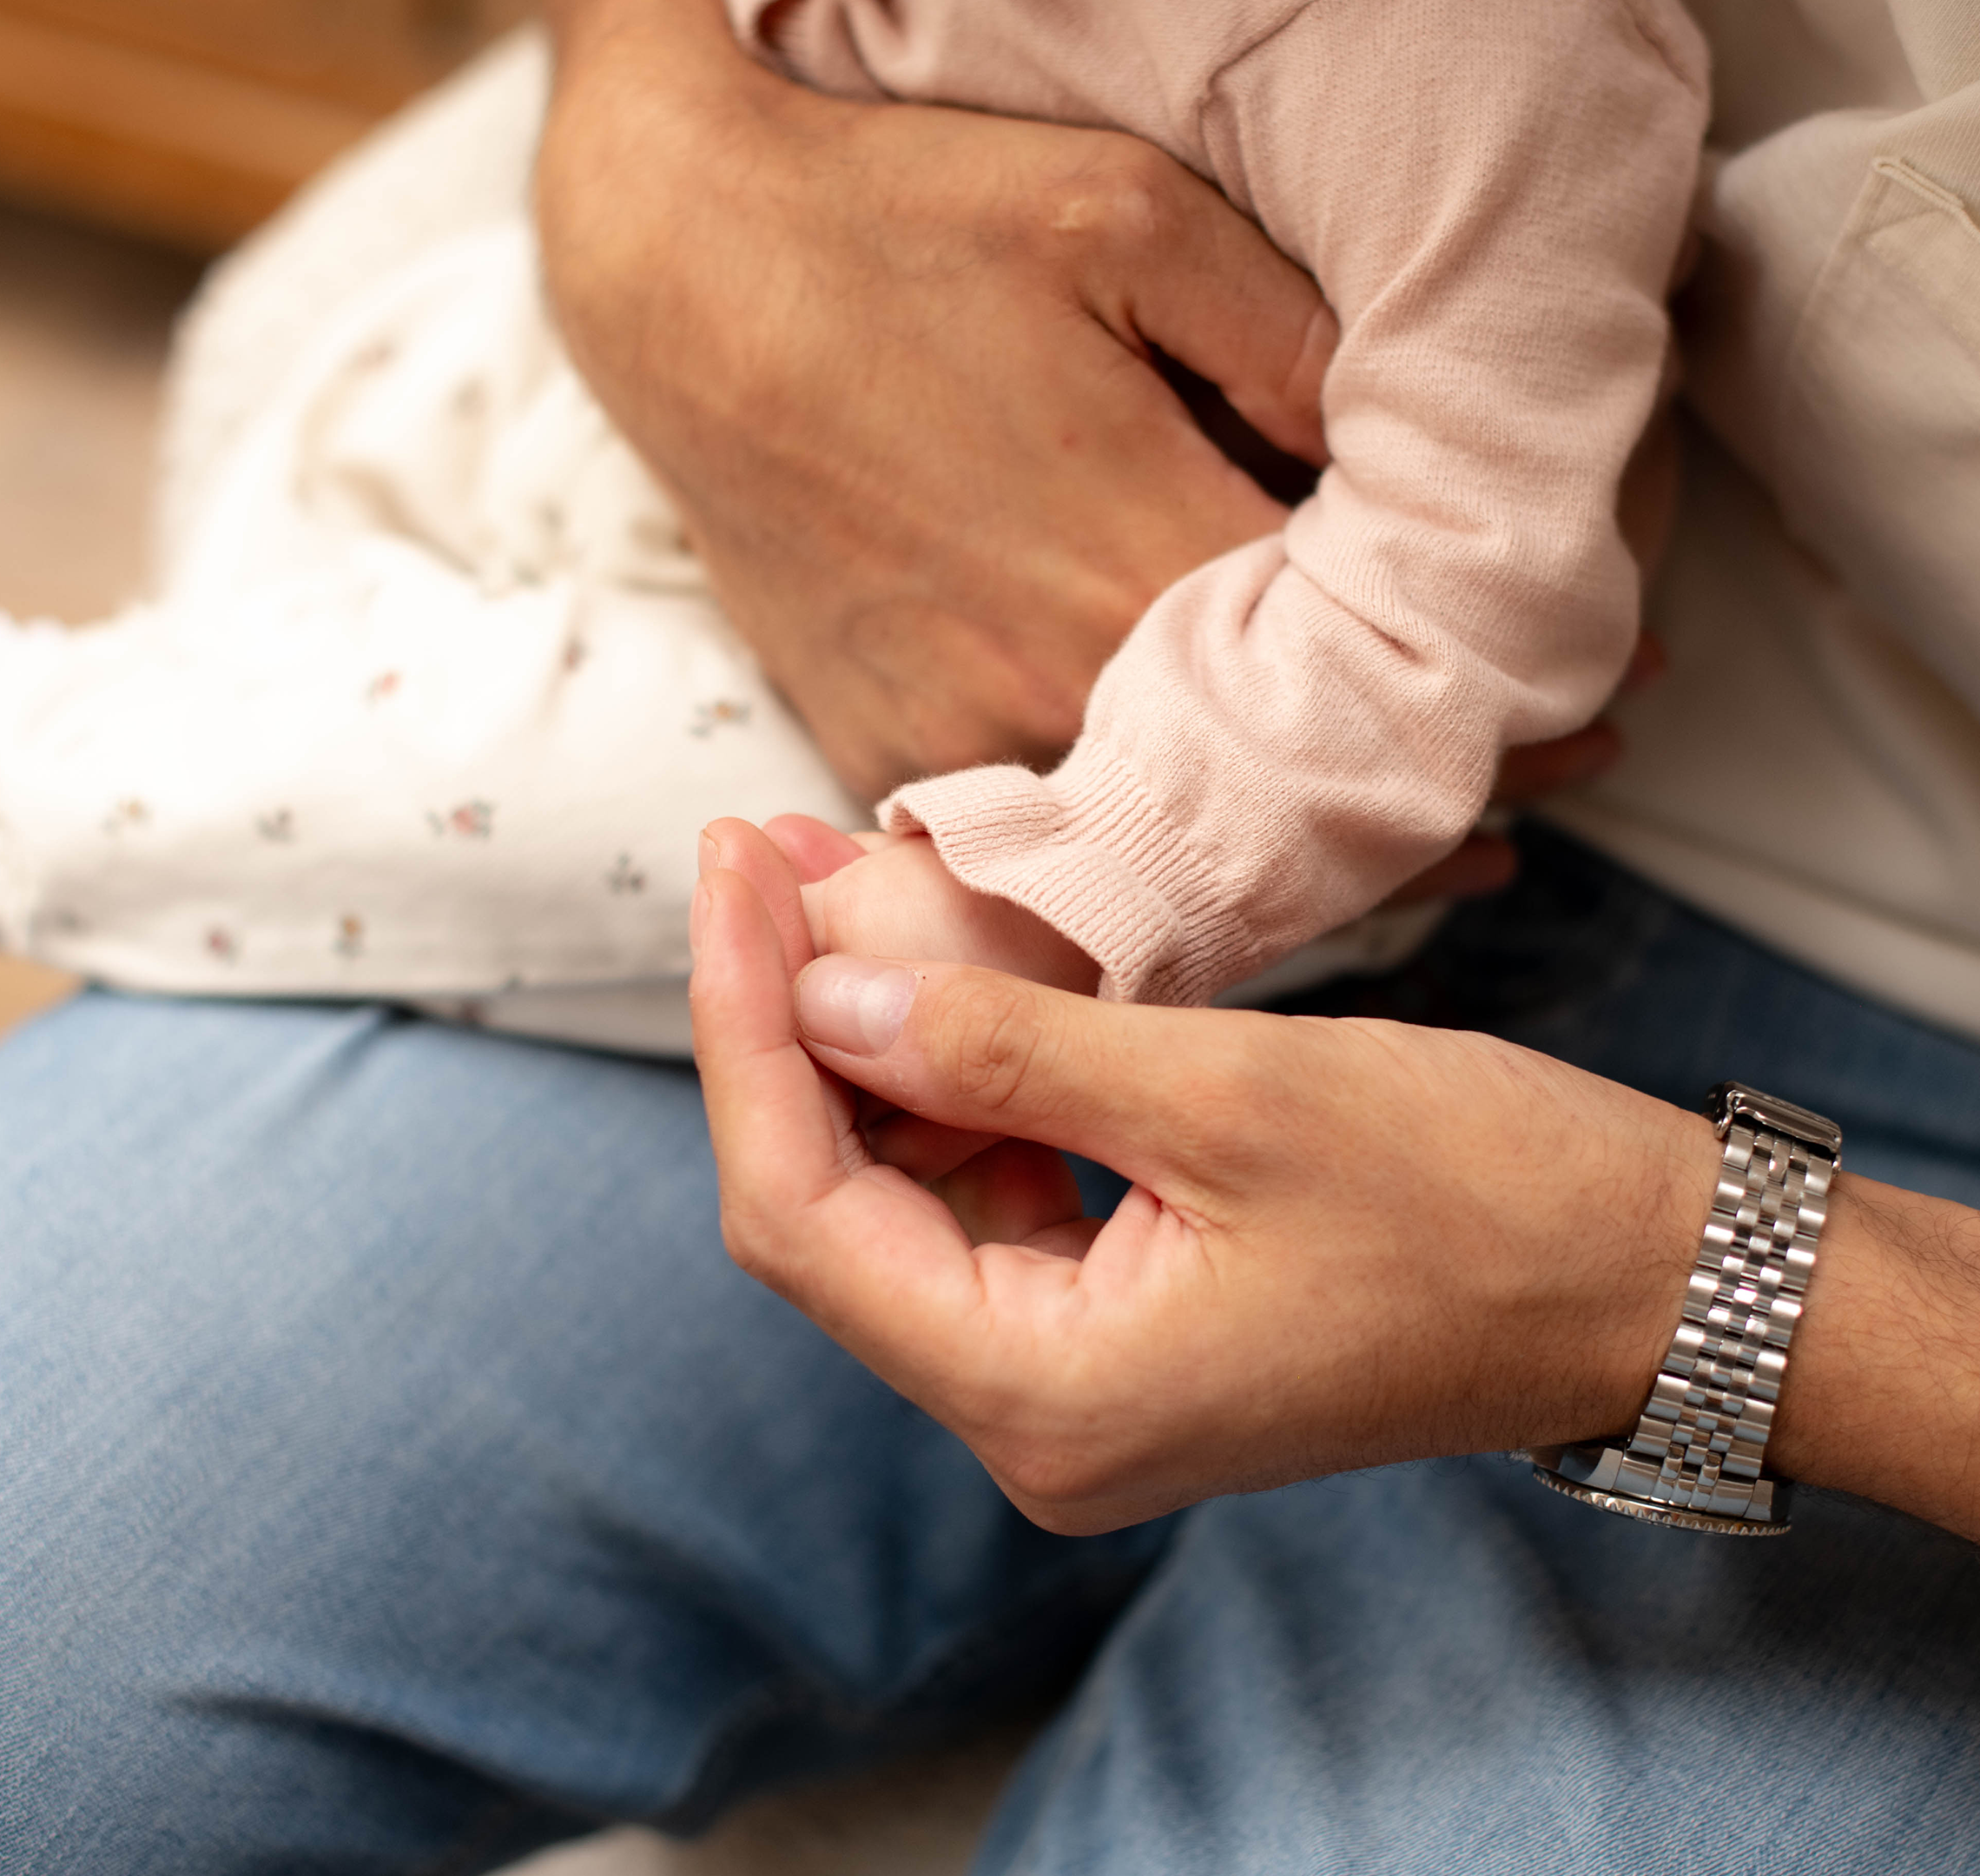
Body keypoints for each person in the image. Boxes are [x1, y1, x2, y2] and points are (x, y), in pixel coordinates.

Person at [3, 3, 1979, 1873]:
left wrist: (1699, 1293)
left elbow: (1484, 584)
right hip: (1013, 687)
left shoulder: (1483, 82)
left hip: (1560, 943)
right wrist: (657, 146)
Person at [0, 0, 1704, 1040]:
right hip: (631, 402)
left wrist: (1074, 888)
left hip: (1090, 753)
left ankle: (70, 775)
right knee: (271, 360)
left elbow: (1479, 589)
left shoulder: (1486, 75)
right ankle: (265, 644)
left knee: (387, 802)